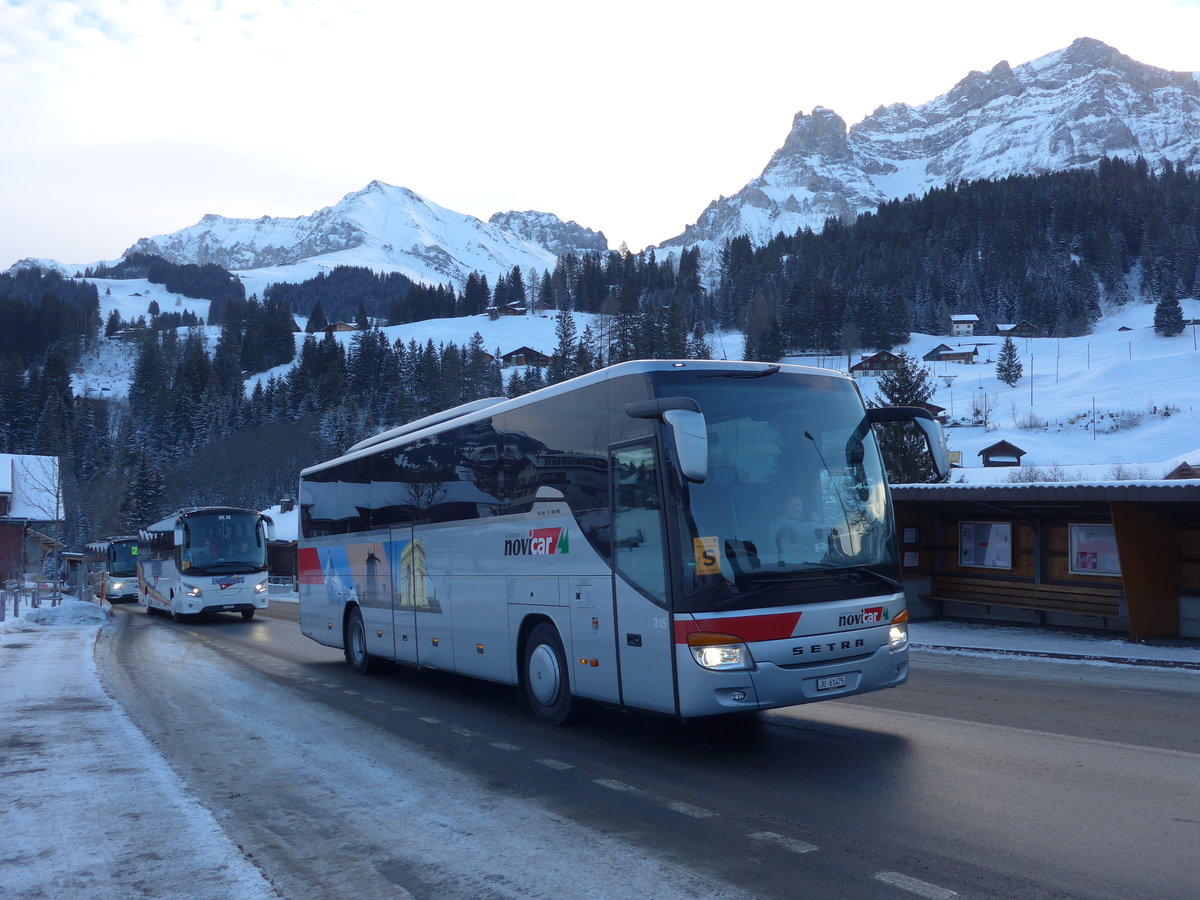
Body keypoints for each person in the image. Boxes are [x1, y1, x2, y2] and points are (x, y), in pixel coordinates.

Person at [768, 495, 826, 564]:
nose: (798, 509)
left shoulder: (796, 524)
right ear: (783, 508)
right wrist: (827, 529)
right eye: (793, 506)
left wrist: (813, 524)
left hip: (799, 565)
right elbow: (795, 528)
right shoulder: (779, 522)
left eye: (799, 506)